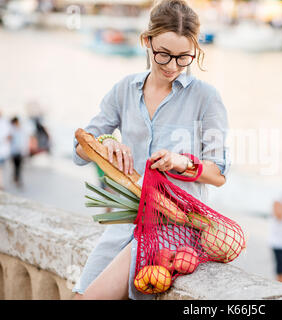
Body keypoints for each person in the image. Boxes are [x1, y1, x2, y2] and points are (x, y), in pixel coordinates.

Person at [72, 0, 230, 300]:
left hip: (175, 227)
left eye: (184, 57)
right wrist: (106, 144)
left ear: (195, 49)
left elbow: (219, 173)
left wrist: (181, 162)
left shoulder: (206, 98)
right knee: (80, 295)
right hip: (126, 223)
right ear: (147, 41)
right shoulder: (124, 90)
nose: (173, 66)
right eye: (164, 55)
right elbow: (80, 149)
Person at [9, 117, 28, 189]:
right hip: (14, 151)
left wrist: (25, 151)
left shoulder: (21, 130)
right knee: (16, 166)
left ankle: (17, 179)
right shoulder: (12, 130)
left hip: (20, 151)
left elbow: (24, 141)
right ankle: (16, 178)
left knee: (19, 167)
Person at [0, 110, 11, 190]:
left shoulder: (5, 123)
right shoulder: (5, 123)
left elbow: (9, 137)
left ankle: (1, 183)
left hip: (3, 150)